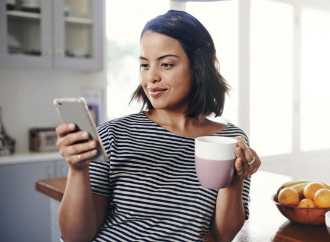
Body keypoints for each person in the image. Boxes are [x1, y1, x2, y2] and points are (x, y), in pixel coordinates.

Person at [55, 10, 261, 242]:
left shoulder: (230, 139)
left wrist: (235, 180)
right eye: (144, 64)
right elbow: (75, 237)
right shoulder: (112, 135)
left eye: (166, 64)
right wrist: (78, 170)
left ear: (199, 65)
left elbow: (222, 236)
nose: (151, 77)